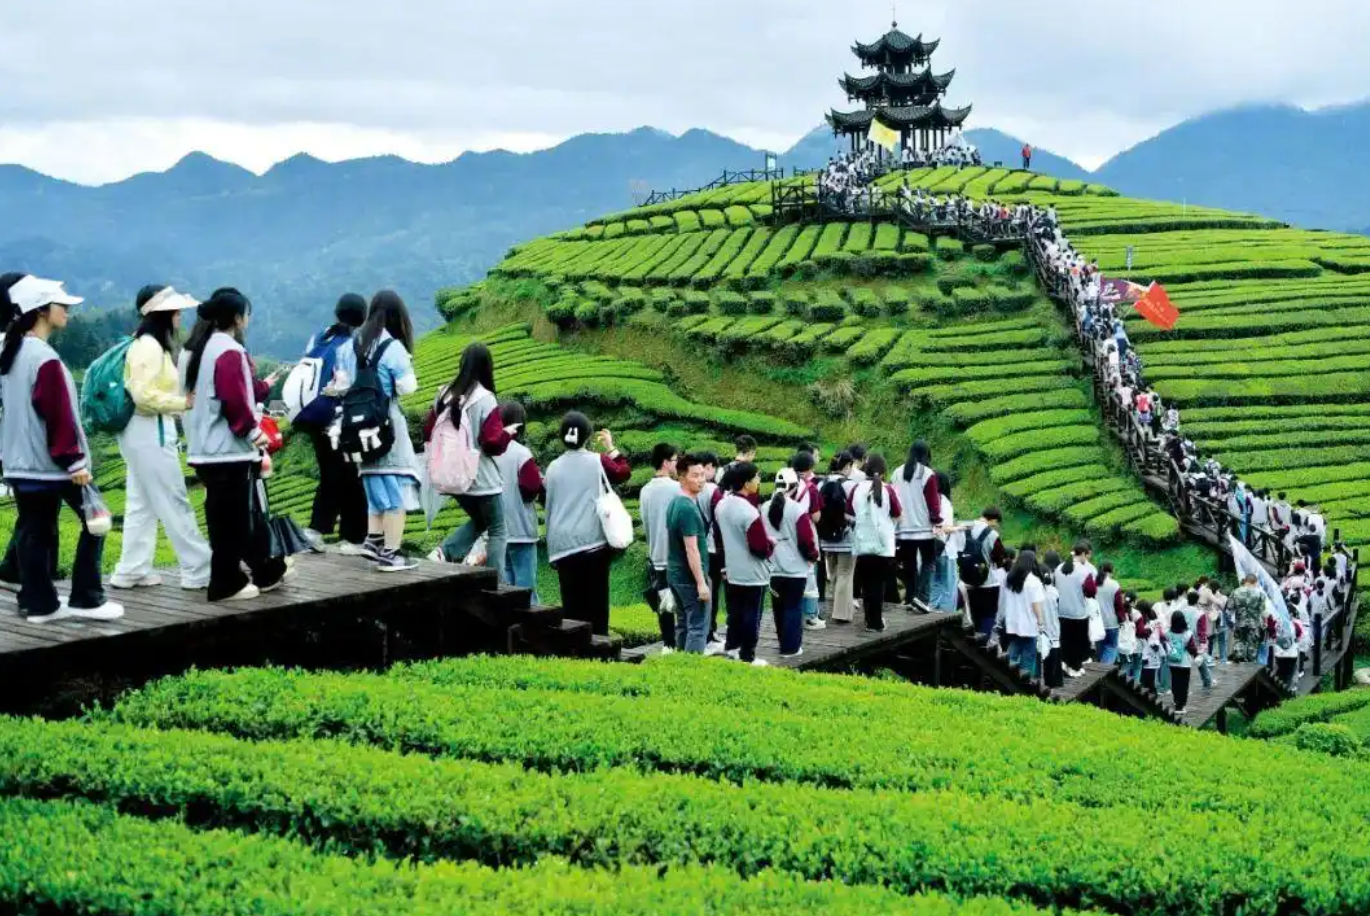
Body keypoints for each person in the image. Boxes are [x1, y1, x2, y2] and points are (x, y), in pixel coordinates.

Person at [0, 276, 122, 621]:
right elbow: (58, 416)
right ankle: (87, 597)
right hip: (52, 464)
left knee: (35, 531)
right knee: (97, 520)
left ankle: (38, 603)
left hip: (21, 463)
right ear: (39, 310)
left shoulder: (12, 354)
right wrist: (74, 462)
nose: (67, 311)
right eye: (61, 305)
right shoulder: (44, 358)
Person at [180, 288, 290, 601]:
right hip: (226, 451)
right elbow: (235, 403)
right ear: (238, 318)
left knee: (222, 517)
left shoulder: (199, 349)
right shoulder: (227, 350)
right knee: (234, 520)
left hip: (204, 447)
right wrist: (256, 435)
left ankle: (243, 573)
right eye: (247, 313)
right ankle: (225, 581)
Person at [111, 285, 212, 591]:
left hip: (142, 431)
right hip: (149, 429)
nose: (180, 315)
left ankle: (131, 570)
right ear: (162, 313)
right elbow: (143, 396)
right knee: (174, 499)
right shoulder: (149, 347)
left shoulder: (147, 344)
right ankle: (199, 569)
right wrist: (183, 403)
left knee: (141, 503)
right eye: (176, 310)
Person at [349, 291, 421, 571]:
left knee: (373, 483)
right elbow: (407, 387)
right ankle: (391, 553)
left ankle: (373, 540)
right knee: (394, 486)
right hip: (384, 421)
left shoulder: (356, 344)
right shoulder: (392, 348)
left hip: (357, 425)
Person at [544, 412, 631, 635]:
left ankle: (574, 655)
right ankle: (599, 655)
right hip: (591, 543)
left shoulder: (553, 467)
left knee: (572, 608)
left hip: (562, 545)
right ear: (588, 437)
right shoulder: (596, 461)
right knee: (596, 606)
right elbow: (623, 473)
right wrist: (611, 448)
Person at [431, 341, 511, 573]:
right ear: (488, 367)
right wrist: (507, 434)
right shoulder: (485, 399)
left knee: (480, 521)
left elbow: (429, 432)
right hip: (482, 479)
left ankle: (444, 551)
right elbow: (492, 443)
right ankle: (495, 581)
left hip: (453, 479)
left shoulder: (443, 394)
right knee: (497, 529)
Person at [301, 293, 369, 551]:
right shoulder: (353, 344)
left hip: (313, 416)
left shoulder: (320, 336)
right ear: (362, 317)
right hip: (339, 420)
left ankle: (322, 531)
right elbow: (351, 384)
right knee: (350, 475)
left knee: (333, 473)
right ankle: (348, 537)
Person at [715, 461, 773, 665]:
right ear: (747, 483)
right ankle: (748, 655)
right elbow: (759, 548)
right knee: (751, 614)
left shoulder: (722, 504)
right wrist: (771, 546)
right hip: (752, 571)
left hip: (732, 568)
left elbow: (719, 538)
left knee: (735, 612)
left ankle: (732, 646)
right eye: (757, 477)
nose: (759, 481)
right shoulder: (749, 511)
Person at [764, 467, 819, 659]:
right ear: (794, 487)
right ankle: (791, 647)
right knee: (793, 607)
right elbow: (806, 540)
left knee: (778, 608)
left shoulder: (763, 508)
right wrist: (813, 556)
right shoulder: (797, 510)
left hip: (772, 570)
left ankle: (783, 643)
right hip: (795, 570)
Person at [491, 400, 541, 603]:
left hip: (496, 532)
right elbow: (531, 488)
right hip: (521, 531)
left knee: (506, 590)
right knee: (526, 590)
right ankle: (531, 633)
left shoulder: (489, 452)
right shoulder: (521, 453)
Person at [850, 453, 902, 633]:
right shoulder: (888, 490)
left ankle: (868, 620)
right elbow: (897, 514)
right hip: (883, 545)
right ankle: (876, 622)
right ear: (884, 471)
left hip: (862, 543)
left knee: (866, 584)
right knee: (878, 585)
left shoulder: (857, 488)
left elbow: (848, 511)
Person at [666, 452, 712, 653]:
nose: (701, 480)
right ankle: (692, 670)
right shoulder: (687, 508)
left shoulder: (676, 502)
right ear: (681, 477)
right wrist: (701, 583)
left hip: (676, 574)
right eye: (695, 475)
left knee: (684, 623)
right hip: (689, 576)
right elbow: (691, 549)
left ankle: (680, 667)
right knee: (698, 627)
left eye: (702, 474)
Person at [639, 443, 681, 651]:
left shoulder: (645, 490)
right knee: (683, 600)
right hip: (676, 555)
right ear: (666, 462)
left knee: (664, 601)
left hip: (656, 554)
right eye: (675, 460)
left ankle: (668, 644)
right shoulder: (676, 488)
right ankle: (684, 642)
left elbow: (645, 522)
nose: (677, 463)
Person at [893, 440, 942, 607]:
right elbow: (933, 502)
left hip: (904, 528)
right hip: (924, 528)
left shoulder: (897, 472)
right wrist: (937, 520)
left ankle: (910, 598)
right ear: (926, 454)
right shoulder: (927, 473)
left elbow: (895, 499)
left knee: (909, 564)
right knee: (929, 562)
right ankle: (922, 598)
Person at [818, 451, 858, 624]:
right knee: (845, 573)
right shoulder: (850, 485)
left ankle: (836, 606)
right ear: (847, 466)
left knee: (833, 573)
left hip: (826, 538)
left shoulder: (821, 483)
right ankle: (841, 613)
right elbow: (855, 511)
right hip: (845, 537)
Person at [694, 450, 726, 653]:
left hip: (694, 547)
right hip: (713, 548)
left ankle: (702, 632)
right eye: (713, 467)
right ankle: (709, 632)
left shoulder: (686, 488)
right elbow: (720, 520)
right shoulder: (713, 490)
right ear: (707, 467)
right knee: (712, 592)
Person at [1054, 541, 1098, 677]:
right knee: (1077, 642)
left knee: (1065, 639)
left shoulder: (1059, 568)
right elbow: (1091, 591)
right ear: (1083, 554)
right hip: (1078, 612)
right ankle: (1074, 667)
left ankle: (1064, 664)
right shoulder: (1084, 571)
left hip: (1061, 611)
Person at [1002, 549, 1046, 679]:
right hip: (1028, 624)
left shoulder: (1010, 578)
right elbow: (1036, 605)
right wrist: (1040, 621)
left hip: (1013, 623)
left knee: (1014, 651)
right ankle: (1025, 684)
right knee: (1028, 656)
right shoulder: (1033, 581)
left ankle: (1008, 678)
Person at [965, 507, 1006, 637]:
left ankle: (974, 640)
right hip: (987, 583)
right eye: (996, 522)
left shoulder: (965, 529)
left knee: (973, 614)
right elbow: (1000, 561)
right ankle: (985, 643)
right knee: (988, 615)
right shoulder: (992, 535)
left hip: (967, 581)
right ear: (993, 519)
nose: (996, 526)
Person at [928, 470, 960, 613]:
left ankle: (930, 614)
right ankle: (947, 618)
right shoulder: (944, 501)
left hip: (930, 548)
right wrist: (958, 528)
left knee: (933, 584)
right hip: (945, 550)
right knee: (948, 586)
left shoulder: (927, 500)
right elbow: (944, 527)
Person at [1228, 573, 1266, 662]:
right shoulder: (1260, 594)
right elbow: (1263, 611)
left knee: (1239, 643)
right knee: (1252, 647)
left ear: (1245, 581)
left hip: (1240, 624)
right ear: (1255, 582)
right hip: (1254, 625)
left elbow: (1230, 607)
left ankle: (1239, 664)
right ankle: (1251, 668)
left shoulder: (1235, 592)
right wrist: (1264, 624)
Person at [1094, 562, 1123, 664]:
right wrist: (1121, 619)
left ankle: (1100, 672)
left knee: (1100, 652)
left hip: (1097, 623)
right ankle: (1104, 673)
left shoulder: (1094, 583)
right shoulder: (1114, 584)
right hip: (1112, 623)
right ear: (1111, 571)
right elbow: (1119, 605)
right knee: (1111, 648)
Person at [1167, 609, 1194, 716]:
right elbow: (1192, 648)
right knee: (1184, 684)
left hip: (1172, 662)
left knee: (1175, 681)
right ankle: (1180, 706)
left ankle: (1175, 699)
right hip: (1185, 663)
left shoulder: (1168, 633)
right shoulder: (1188, 634)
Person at [1039, 563, 1062, 688]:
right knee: (1053, 667)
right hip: (1054, 632)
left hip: (1041, 632)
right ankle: (1054, 684)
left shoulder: (1035, 592)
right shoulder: (1054, 592)